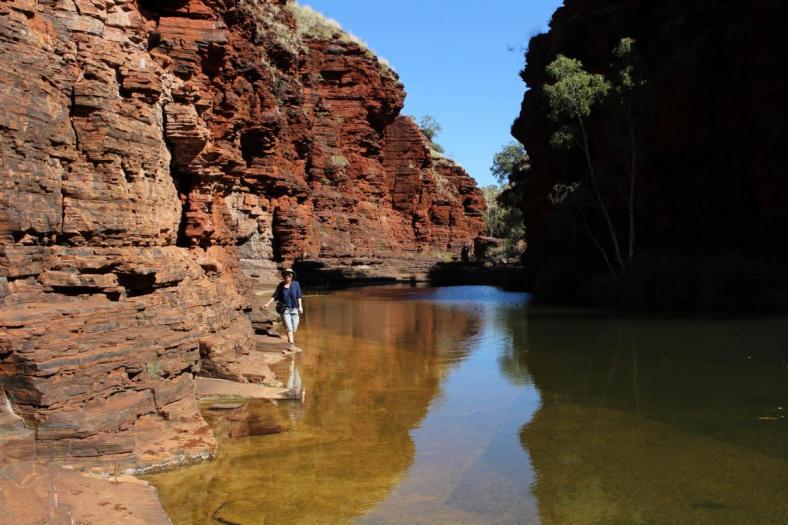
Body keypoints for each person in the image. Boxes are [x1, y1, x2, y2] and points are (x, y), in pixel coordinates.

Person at [264, 268, 303, 348]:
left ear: (292, 276)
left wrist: (300, 307)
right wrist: (267, 303)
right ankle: (291, 344)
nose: (287, 275)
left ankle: (290, 338)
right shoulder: (281, 285)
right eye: (286, 274)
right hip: (285, 310)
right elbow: (275, 296)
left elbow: (299, 296)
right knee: (289, 329)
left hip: (295, 309)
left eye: (289, 274)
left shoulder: (296, 284)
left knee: (294, 328)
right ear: (284, 276)